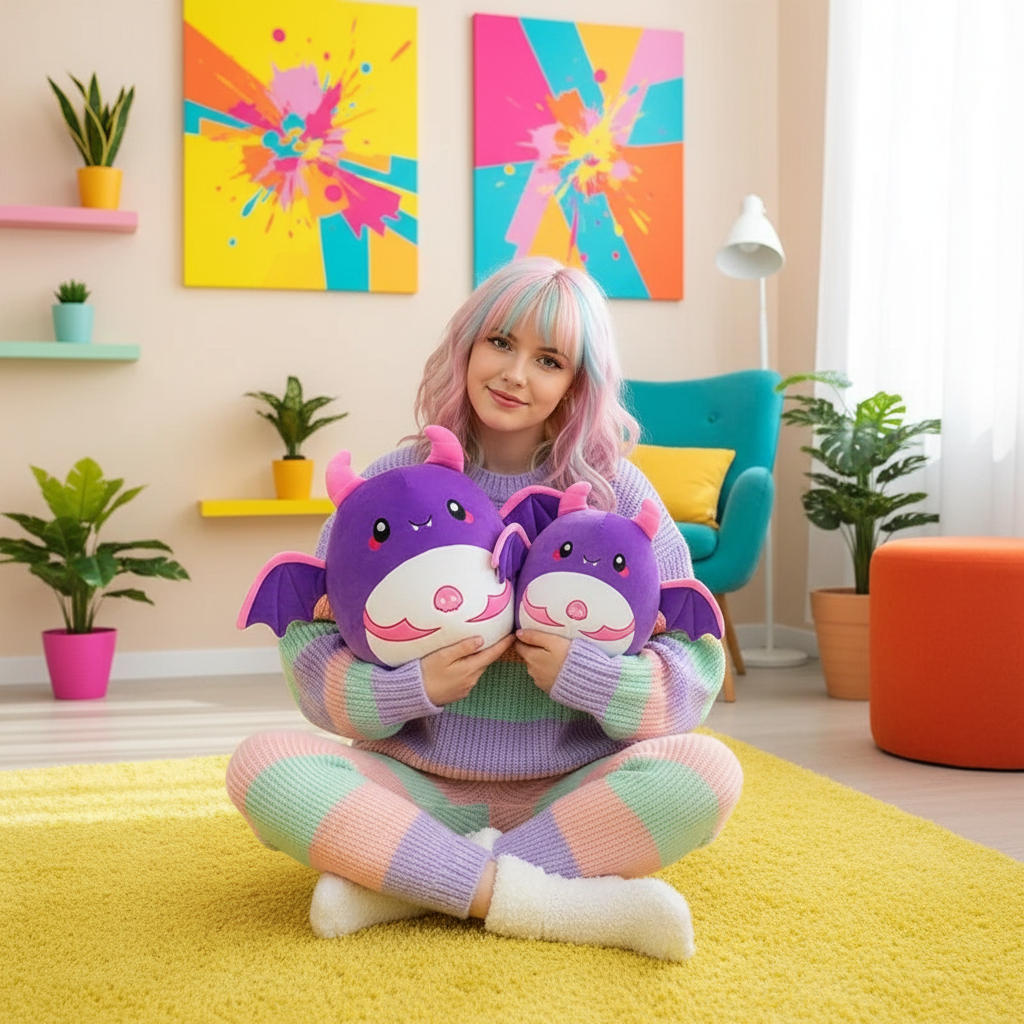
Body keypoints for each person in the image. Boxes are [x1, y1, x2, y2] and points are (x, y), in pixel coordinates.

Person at [226, 256, 743, 961]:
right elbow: (313, 637)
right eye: (501, 342)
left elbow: (695, 661)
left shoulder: (617, 493)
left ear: (575, 382)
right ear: (468, 343)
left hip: (572, 787)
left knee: (710, 772)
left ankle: (405, 883)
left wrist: (588, 676)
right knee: (262, 765)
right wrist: (411, 687)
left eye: (549, 359)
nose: (515, 374)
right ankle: (555, 903)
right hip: (416, 785)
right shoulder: (396, 482)